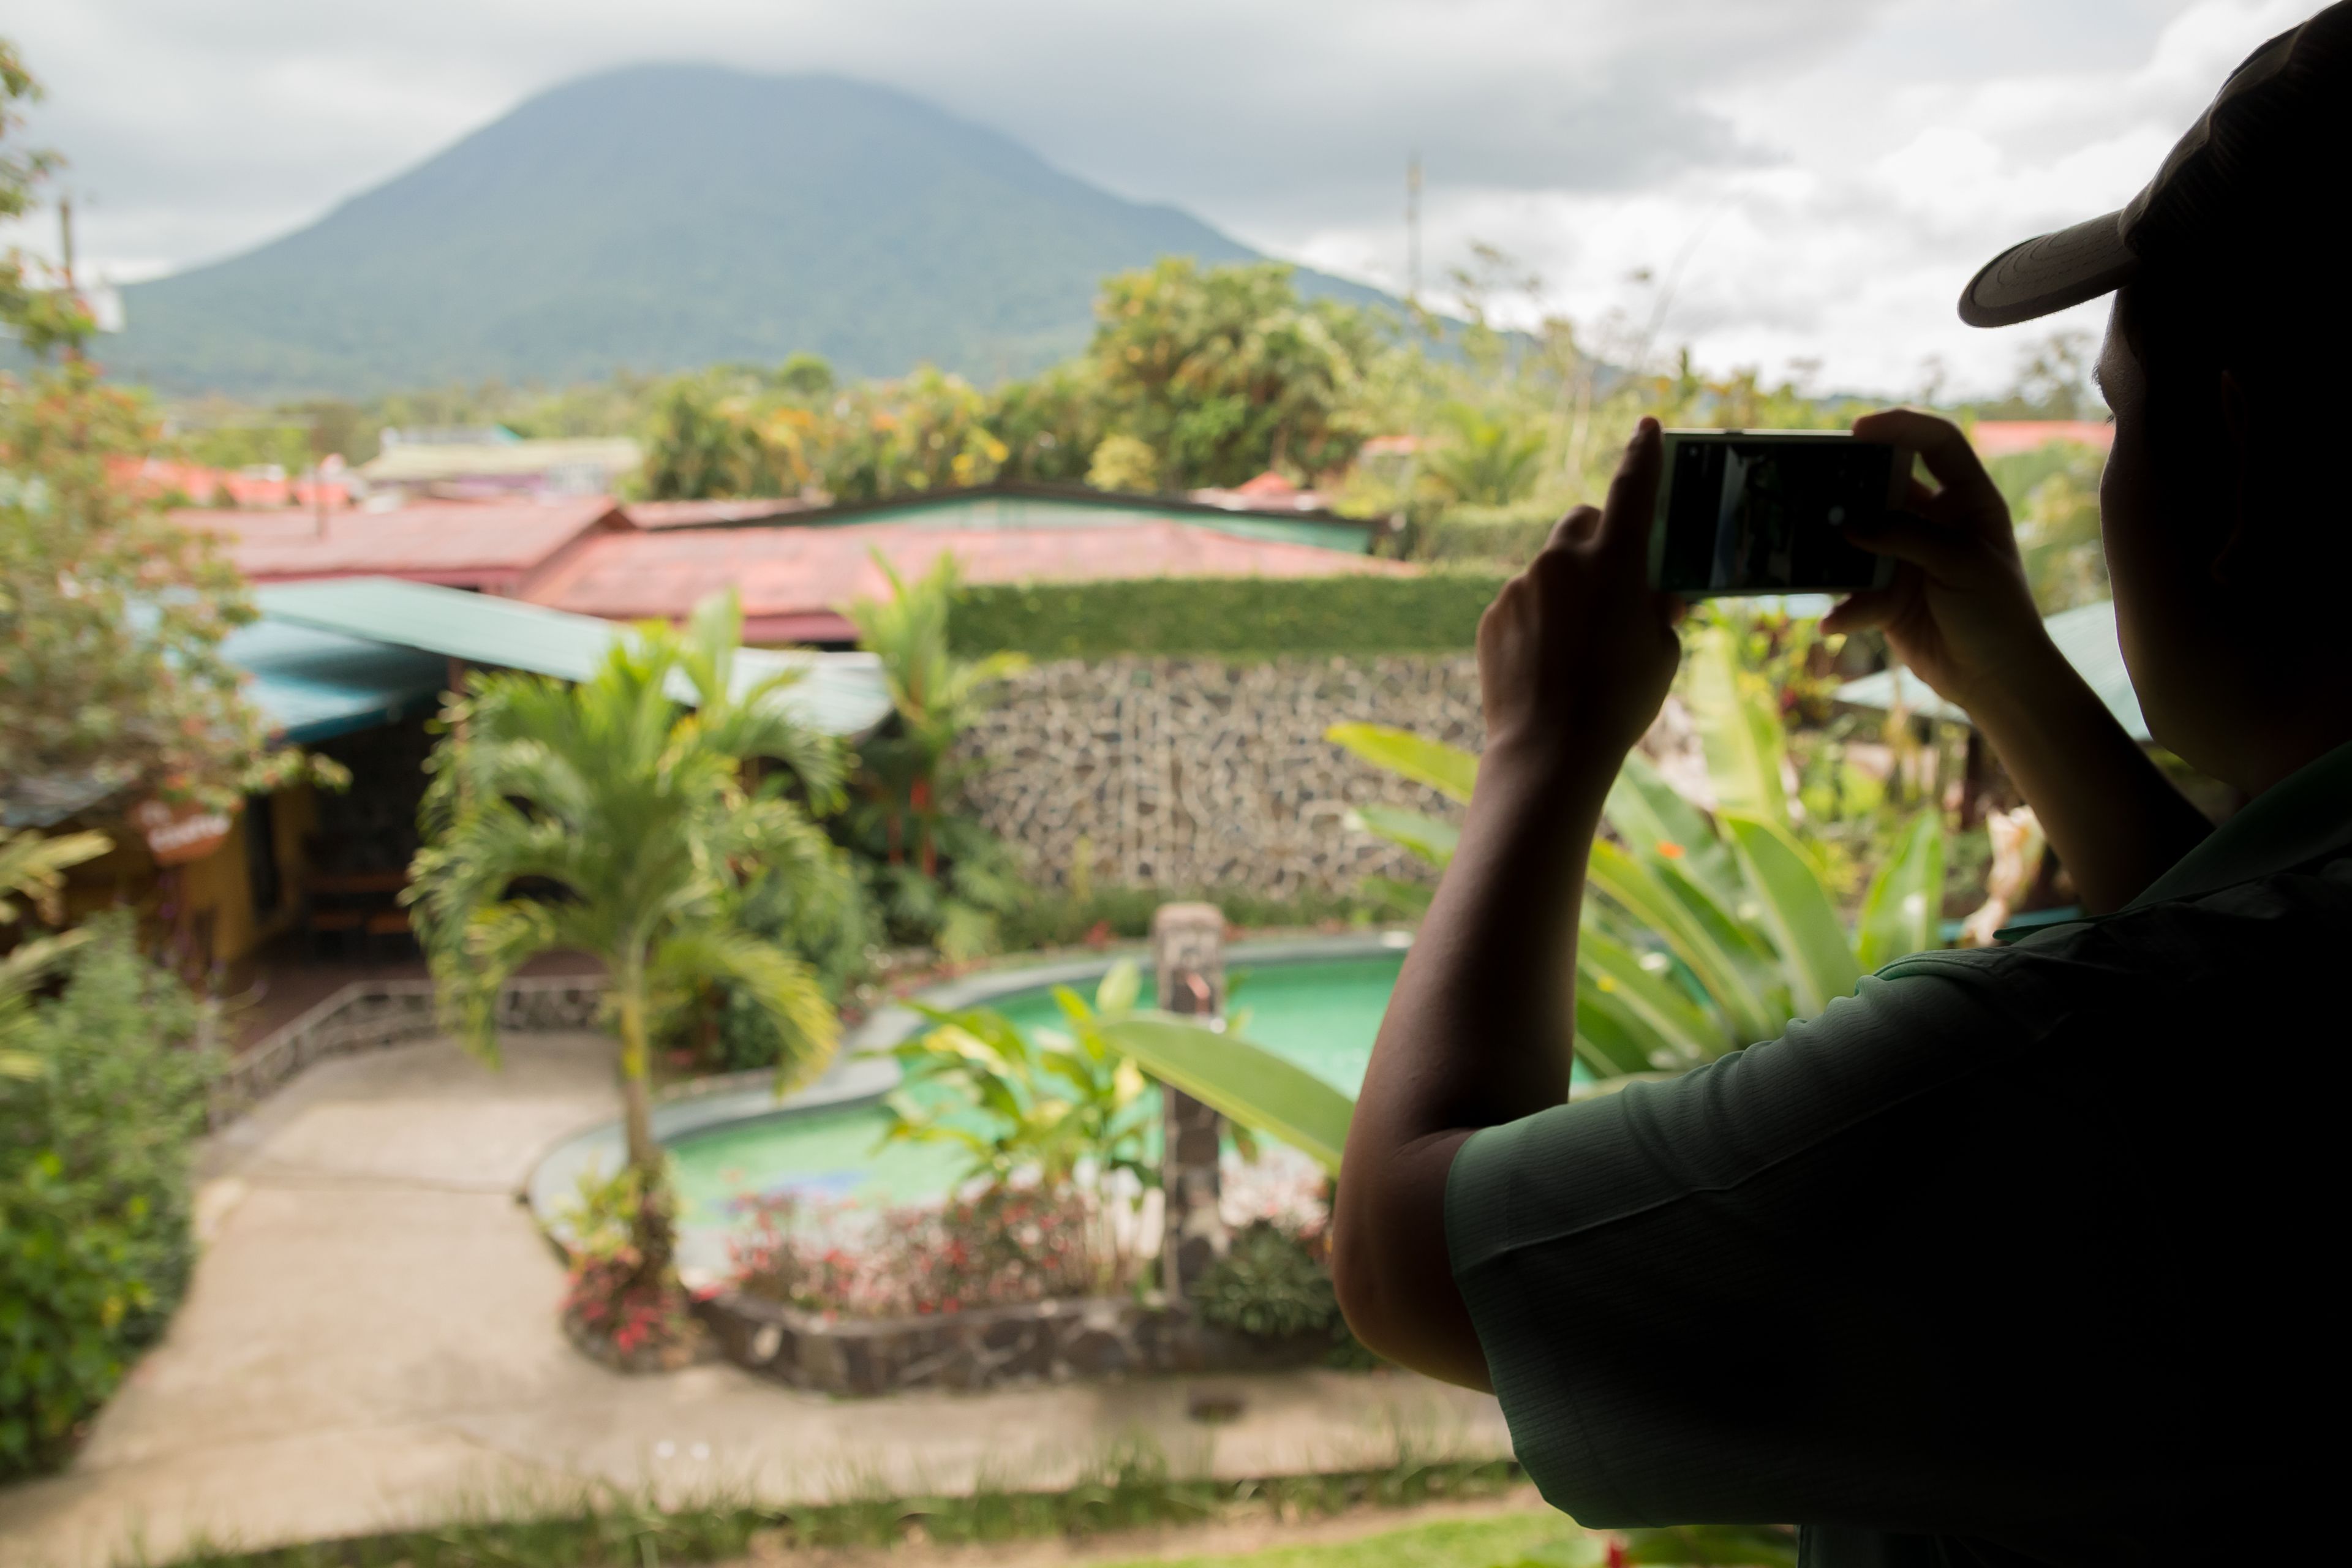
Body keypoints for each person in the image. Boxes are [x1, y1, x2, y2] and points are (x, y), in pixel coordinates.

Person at [1329, 9, 2350, 1567]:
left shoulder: (2062, 1076)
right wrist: (2009, 673)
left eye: (2120, 414)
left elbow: (1411, 1256)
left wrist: (1540, 752)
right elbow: (2238, 943)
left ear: (2240, 460)